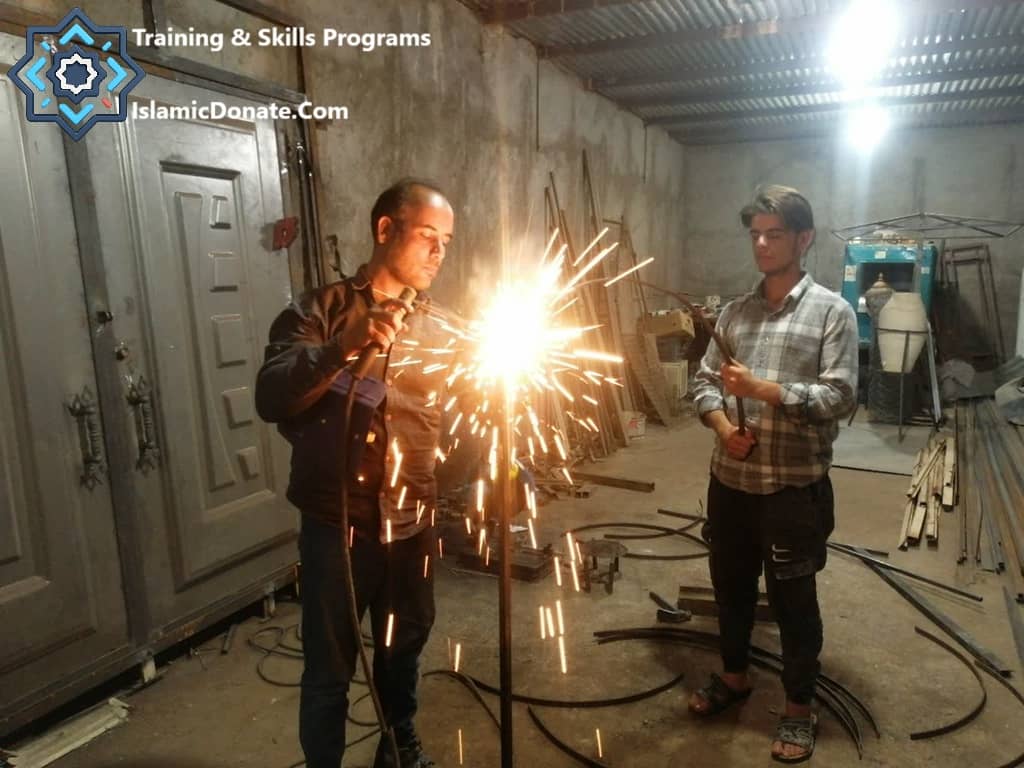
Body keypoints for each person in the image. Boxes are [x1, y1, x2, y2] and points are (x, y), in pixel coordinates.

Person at [255, 178, 455, 768]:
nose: (439, 254)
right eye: (427, 237)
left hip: (413, 519)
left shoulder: (442, 328)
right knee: (330, 668)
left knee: (403, 649)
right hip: (337, 526)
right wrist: (343, 345)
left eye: (446, 241)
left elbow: (458, 422)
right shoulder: (317, 312)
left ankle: (399, 746)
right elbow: (272, 397)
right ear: (385, 229)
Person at [689, 185, 858, 764]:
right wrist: (721, 429)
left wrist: (765, 391)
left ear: (803, 240)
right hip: (730, 484)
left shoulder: (832, 312)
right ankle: (735, 678)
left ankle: (797, 709)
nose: (761, 244)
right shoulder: (735, 313)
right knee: (731, 589)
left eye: (775, 234)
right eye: (755, 234)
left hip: (792, 488)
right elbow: (705, 382)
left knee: (793, 601)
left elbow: (839, 397)